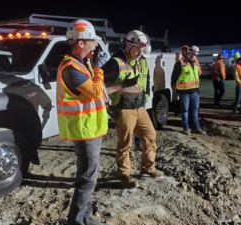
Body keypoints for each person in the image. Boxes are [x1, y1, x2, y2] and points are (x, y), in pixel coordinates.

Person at [56, 19, 109, 225]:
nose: (96, 45)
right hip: (85, 130)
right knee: (87, 180)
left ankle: (86, 217)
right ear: (80, 43)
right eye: (92, 41)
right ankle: (76, 221)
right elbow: (96, 92)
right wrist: (100, 68)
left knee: (89, 178)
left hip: (90, 129)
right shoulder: (70, 68)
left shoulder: (80, 63)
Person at [102, 30, 164, 189]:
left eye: (142, 50)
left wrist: (146, 96)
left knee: (150, 135)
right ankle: (124, 175)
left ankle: (147, 168)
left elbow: (146, 80)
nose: (140, 53)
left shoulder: (141, 61)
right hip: (123, 109)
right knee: (125, 144)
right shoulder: (116, 62)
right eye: (137, 49)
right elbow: (101, 87)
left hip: (138, 108)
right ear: (128, 46)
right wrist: (112, 103)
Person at [171, 45, 206, 136]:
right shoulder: (180, 63)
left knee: (194, 109)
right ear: (188, 53)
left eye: (195, 55)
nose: (193, 56)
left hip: (194, 91)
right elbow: (174, 78)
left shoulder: (195, 63)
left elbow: (197, 75)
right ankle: (186, 129)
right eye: (192, 54)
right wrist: (180, 87)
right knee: (185, 110)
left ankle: (196, 127)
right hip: (184, 92)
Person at [131, 40, 151, 156]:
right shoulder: (131, 61)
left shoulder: (144, 62)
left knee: (139, 123)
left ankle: (138, 144)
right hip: (130, 96)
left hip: (141, 95)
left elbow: (147, 79)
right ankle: (128, 147)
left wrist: (147, 93)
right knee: (129, 124)